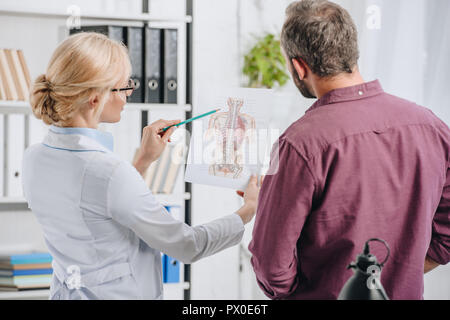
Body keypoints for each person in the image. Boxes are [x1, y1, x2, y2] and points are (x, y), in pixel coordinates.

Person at [22, 32, 261, 300]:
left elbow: (97, 209)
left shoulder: (33, 159)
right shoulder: (108, 172)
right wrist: (248, 210)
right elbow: (186, 245)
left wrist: (143, 160)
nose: (129, 94)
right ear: (94, 99)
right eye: (124, 86)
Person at [248, 0, 449, 300]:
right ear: (351, 51)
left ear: (299, 66)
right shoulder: (431, 127)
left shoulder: (297, 144)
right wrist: (395, 272)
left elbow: (271, 269)